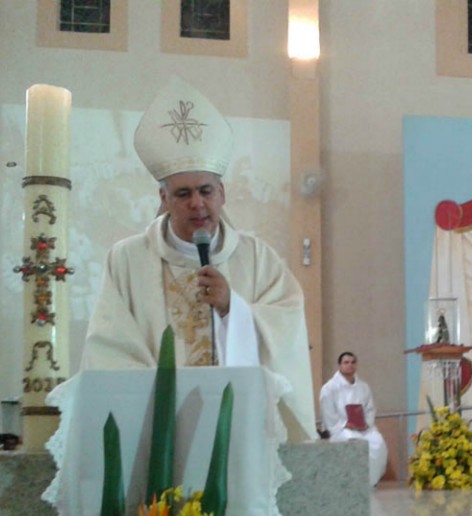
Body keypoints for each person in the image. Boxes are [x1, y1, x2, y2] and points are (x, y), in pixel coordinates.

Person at [81, 77, 315, 441]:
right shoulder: (127, 260)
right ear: (163, 198)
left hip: (236, 432)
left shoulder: (257, 258)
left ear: (221, 193)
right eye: (183, 193)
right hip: (158, 433)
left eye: (206, 191)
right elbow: (109, 350)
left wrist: (232, 309)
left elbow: (287, 329)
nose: (197, 203)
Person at [320, 352, 388, 486]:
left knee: (378, 441)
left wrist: (366, 423)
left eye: (353, 362)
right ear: (340, 365)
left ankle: (370, 480)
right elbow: (328, 412)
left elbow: (370, 408)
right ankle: (354, 482)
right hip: (340, 429)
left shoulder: (363, 387)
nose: (350, 365)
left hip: (362, 428)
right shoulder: (329, 388)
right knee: (353, 442)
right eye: (346, 362)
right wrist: (345, 424)